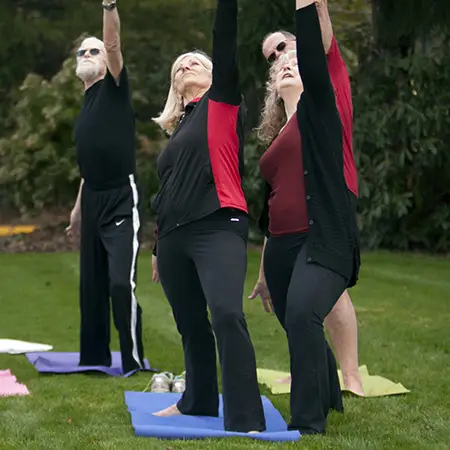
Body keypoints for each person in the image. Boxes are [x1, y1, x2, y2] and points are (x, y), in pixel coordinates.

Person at [149, 0, 266, 434]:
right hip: (175, 236)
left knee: (225, 314)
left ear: (215, 76)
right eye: (179, 66)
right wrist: (159, 247)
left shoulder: (222, 104)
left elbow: (225, 39)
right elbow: (167, 193)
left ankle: (245, 416)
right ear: (174, 88)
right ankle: (195, 401)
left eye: (196, 61)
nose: (186, 66)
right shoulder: (178, 130)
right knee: (191, 324)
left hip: (219, 224)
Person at [254, 0, 361, 434]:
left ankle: (309, 423)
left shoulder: (323, 99)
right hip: (282, 242)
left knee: (304, 312)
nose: (280, 59)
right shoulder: (279, 133)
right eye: (272, 58)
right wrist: (263, 268)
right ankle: (329, 394)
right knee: (296, 319)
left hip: (325, 228)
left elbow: (318, 38)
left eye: (284, 49)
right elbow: (272, 201)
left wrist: (309, 6)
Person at [66, 0, 145, 375]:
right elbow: (90, 163)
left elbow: (113, 46)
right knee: (91, 287)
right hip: (93, 196)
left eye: (92, 49)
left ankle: (132, 360)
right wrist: (79, 209)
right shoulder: (85, 105)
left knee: (118, 282)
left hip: (118, 196)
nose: (87, 54)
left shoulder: (114, 87)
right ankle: (94, 358)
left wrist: (108, 6)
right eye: (82, 51)